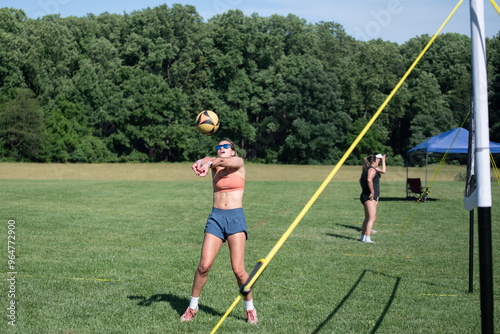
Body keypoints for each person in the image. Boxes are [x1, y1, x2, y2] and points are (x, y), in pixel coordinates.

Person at [181, 138, 258, 324]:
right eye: (219, 147)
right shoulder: (214, 165)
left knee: (239, 270)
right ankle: (192, 306)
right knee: (204, 266)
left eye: (226, 147)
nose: (221, 149)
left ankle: (250, 308)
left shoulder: (238, 163)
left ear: (233, 151)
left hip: (235, 219)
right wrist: (200, 163)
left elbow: (222, 162)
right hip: (216, 218)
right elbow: (207, 159)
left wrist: (207, 163)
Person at [359, 153, 386, 243]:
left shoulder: (367, 169)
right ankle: (367, 238)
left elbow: (361, 181)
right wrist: (372, 192)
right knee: (372, 218)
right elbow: (369, 180)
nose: (379, 161)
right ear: (373, 161)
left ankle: (363, 237)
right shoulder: (372, 170)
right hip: (369, 197)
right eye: (378, 160)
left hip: (365, 195)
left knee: (367, 218)